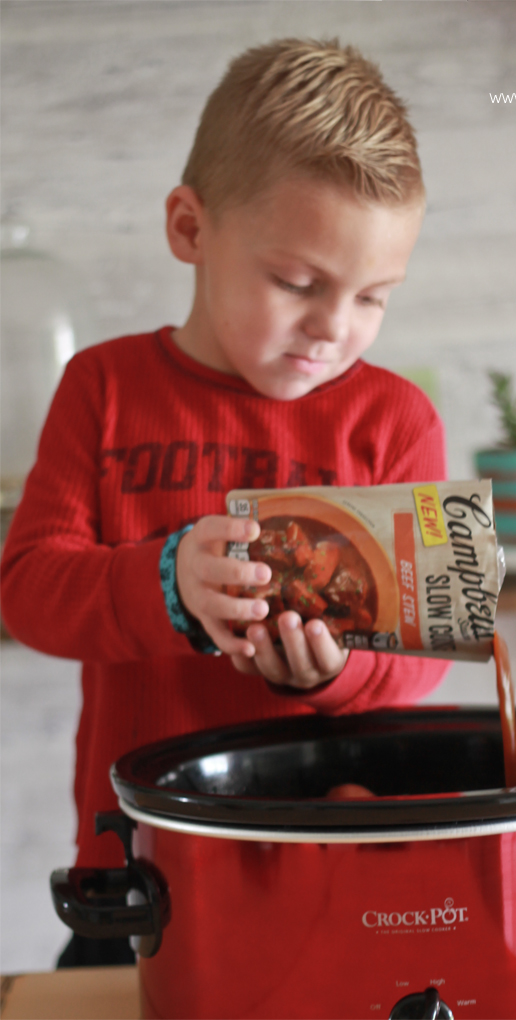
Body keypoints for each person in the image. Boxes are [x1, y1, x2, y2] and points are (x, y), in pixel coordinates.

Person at [1, 38, 450, 964]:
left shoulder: (398, 420)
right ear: (189, 229)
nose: (335, 329)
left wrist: (333, 675)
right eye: (297, 283)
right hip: (137, 872)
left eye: (374, 297)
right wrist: (164, 583)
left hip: (333, 865)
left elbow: (429, 655)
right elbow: (28, 590)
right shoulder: (102, 387)